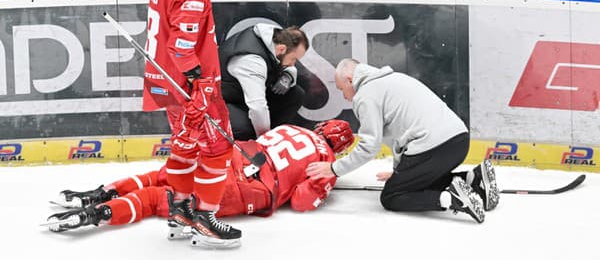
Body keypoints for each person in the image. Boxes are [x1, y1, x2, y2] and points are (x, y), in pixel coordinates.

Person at [45, 121, 355, 242]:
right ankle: (95, 215)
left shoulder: (292, 127)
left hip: (236, 154)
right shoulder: (326, 158)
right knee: (158, 199)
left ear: (322, 126)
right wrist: (324, 190)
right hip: (251, 185)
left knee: (163, 176)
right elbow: (301, 202)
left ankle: (96, 194)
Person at [141, 0, 241, 248]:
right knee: (217, 149)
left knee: (184, 147)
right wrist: (200, 83)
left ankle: (180, 212)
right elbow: (181, 47)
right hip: (190, 88)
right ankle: (205, 220)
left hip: (163, 82)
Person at [306, 58, 500, 224]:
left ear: (350, 80)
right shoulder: (394, 78)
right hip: (459, 141)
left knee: (392, 196)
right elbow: (401, 134)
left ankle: (452, 199)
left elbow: (369, 147)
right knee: (411, 182)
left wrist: (333, 169)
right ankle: (473, 178)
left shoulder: (365, 95)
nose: (345, 97)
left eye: (342, 89)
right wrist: (400, 173)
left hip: (435, 147)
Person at [219, 24, 309, 141]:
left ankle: (276, 135)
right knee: (245, 128)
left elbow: (285, 64)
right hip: (225, 102)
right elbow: (257, 107)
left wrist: (288, 76)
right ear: (281, 49)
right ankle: (253, 148)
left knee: (295, 94)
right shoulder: (251, 61)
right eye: (294, 59)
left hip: (244, 95)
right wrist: (265, 141)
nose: (293, 64)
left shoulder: (274, 37)